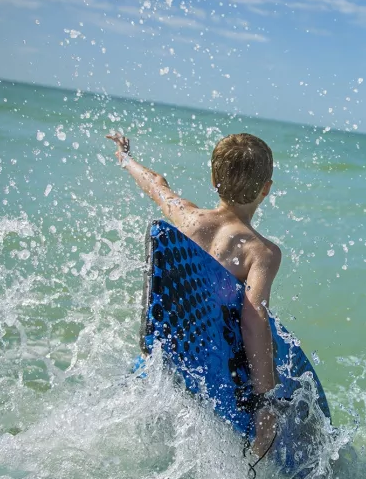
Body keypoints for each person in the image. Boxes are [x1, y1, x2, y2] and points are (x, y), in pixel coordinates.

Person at [107, 131, 282, 460]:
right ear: (266, 189)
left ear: (214, 178)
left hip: (155, 365)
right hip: (206, 378)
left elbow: (156, 185)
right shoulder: (261, 253)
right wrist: (264, 402)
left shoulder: (188, 217)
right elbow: (252, 320)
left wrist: (126, 158)